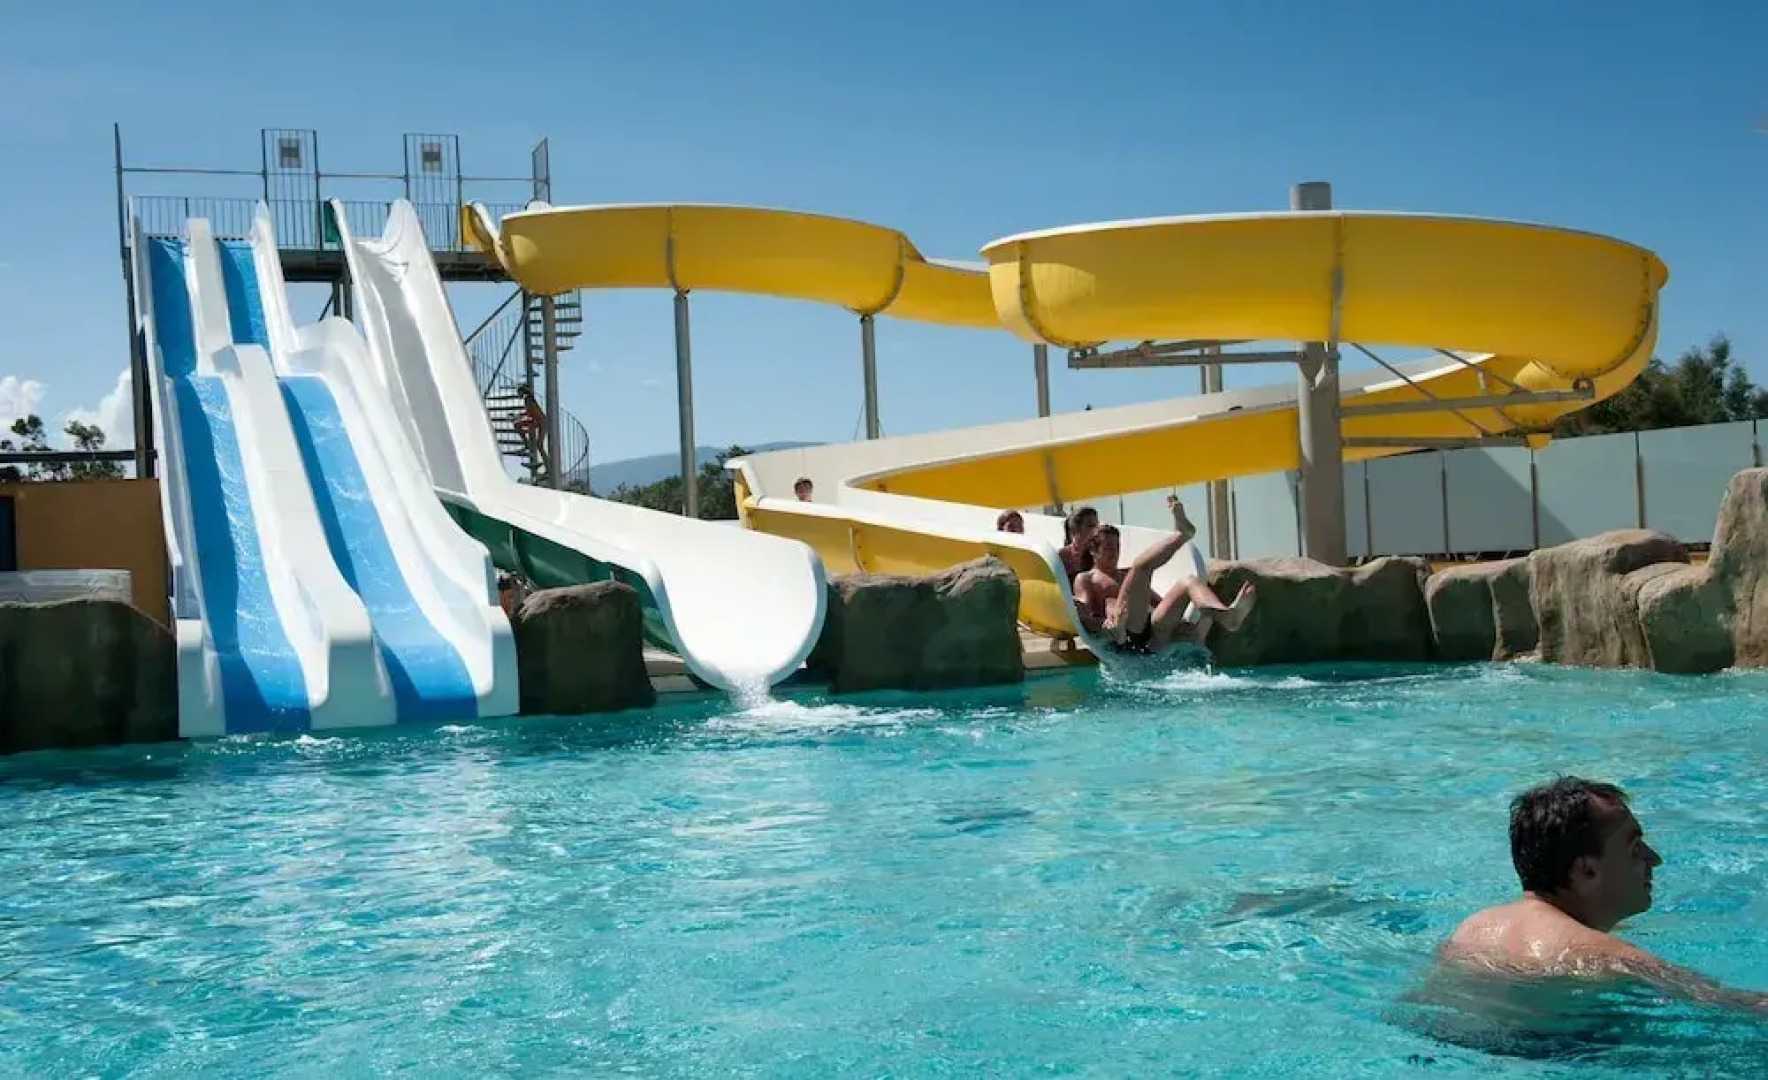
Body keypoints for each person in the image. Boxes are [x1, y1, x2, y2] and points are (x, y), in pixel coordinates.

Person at [1439, 776, 1768, 1011]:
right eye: (1635, 848)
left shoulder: (1473, 928)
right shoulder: (1604, 956)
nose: (1655, 859)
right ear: (1587, 871)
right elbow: (1732, 1005)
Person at [1071, 495, 1254, 654]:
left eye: (1117, 546)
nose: (1115, 552)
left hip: (1153, 633)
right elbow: (1083, 617)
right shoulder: (1086, 578)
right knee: (1140, 568)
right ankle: (1183, 535)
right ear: (1093, 551)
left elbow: (1158, 603)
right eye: (1108, 547)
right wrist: (1105, 625)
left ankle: (1227, 617)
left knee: (1189, 581)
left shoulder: (1125, 576)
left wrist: (1180, 622)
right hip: (1124, 635)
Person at [1058, 506, 1099, 581]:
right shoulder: (1061, 557)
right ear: (1075, 528)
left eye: (1097, 526)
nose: (1096, 531)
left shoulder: (1096, 556)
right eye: (1090, 526)